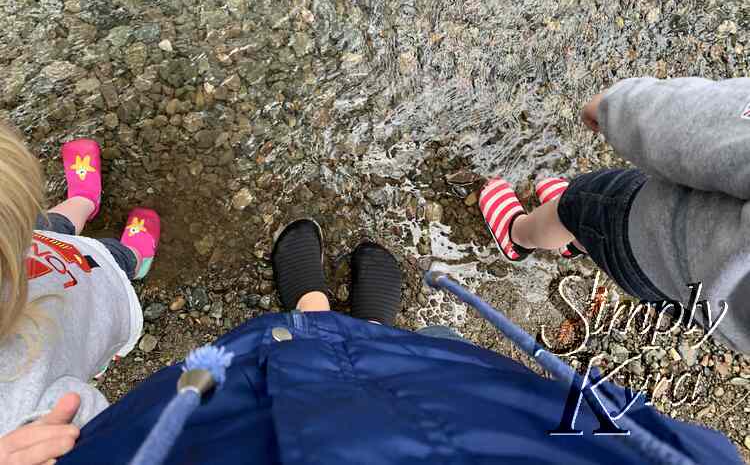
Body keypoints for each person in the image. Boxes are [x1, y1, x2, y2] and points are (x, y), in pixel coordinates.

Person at [60, 219, 740, 464]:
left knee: (280, 361)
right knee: (426, 358)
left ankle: (315, 308)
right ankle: (369, 327)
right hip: (511, 433)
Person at [478, 77, 750, 352]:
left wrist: (618, 106)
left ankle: (519, 235)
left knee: (580, 204)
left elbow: (710, 124)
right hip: (696, 303)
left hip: (655, 234)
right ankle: (576, 242)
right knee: (602, 238)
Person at [0, 123, 160, 465]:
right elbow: (101, 430)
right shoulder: (18, 418)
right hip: (89, 292)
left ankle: (83, 201)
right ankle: (133, 259)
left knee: (48, 227)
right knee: (108, 259)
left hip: (36, 246)